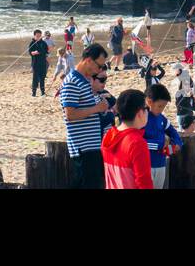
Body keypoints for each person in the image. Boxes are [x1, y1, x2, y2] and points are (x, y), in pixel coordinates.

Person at [61, 43, 110, 189]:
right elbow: (69, 114)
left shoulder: (84, 81)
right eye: (99, 66)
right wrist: (97, 108)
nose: (99, 70)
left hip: (90, 146)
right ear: (88, 60)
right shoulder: (72, 81)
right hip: (83, 147)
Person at [101, 88, 153, 189]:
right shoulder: (137, 143)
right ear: (140, 113)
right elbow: (144, 182)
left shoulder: (109, 135)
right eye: (147, 108)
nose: (148, 112)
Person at [143, 83, 181, 188]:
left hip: (161, 164)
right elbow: (137, 142)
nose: (161, 110)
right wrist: (160, 144)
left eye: (164, 107)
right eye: (159, 106)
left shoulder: (161, 118)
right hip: (146, 165)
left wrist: (177, 144)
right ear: (149, 102)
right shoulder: (141, 118)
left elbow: (173, 132)